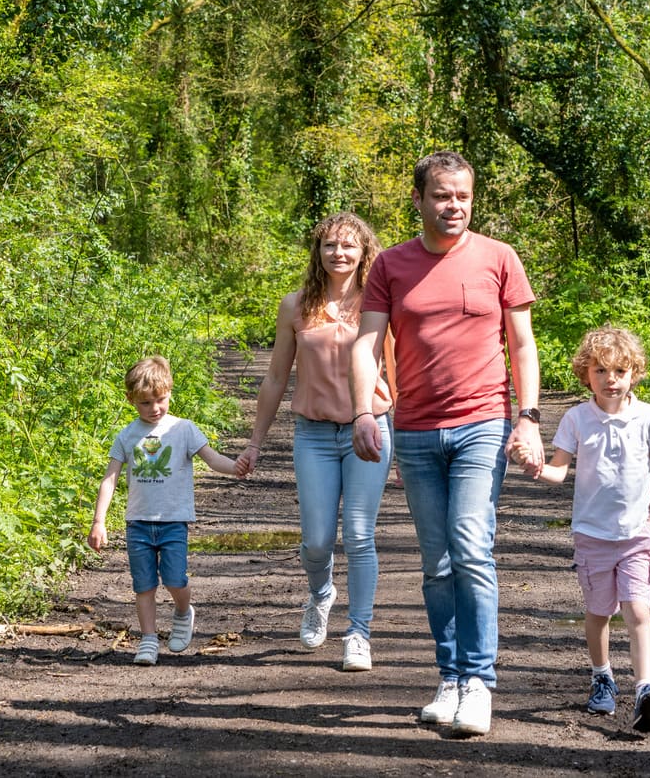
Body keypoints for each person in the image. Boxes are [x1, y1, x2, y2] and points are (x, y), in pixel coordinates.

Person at [348, 150, 544, 737]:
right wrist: (364, 410)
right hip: (412, 429)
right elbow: (365, 344)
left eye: (462, 196)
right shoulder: (391, 265)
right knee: (435, 564)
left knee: (470, 545)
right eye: (441, 196)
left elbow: (523, 343)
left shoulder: (498, 258)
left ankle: (480, 683)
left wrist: (528, 418)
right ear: (419, 200)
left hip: (483, 421)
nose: (452, 205)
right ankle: (451, 677)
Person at [235, 213, 394, 672]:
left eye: (348, 246)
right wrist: (255, 443)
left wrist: (402, 440)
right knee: (317, 542)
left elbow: (398, 373)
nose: (339, 253)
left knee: (361, 534)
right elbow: (274, 377)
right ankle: (321, 593)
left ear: (365, 251)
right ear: (317, 252)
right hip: (314, 435)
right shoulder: (296, 306)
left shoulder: (379, 303)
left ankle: (359, 633)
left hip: (371, 430)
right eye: (329, 245)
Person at [524, 326, 650, 733]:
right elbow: (558, 470)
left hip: (637, 537)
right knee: (599, 613)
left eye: (620, 371)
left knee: (638, 610)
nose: (611, 379)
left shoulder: (649, 417)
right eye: (601, 370)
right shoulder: (576, 419)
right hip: (592, 535)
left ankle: (645, 688)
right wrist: (537, 468)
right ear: (585, 374)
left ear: (634, 373)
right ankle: (602, 675)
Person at [90, 356, 239, 665]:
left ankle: (183, 611)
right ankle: (148, 639)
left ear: (170, 391)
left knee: (174, 579)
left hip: (173, 521)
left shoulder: (183, 429)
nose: (154, 408)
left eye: (160, 399)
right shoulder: (127, 435)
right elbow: (110, 478)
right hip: (138, 523)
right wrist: (98, 521)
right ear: (131, 399)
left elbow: (211, 459)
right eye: (145, 402)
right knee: (143, 584)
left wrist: (236, 467)